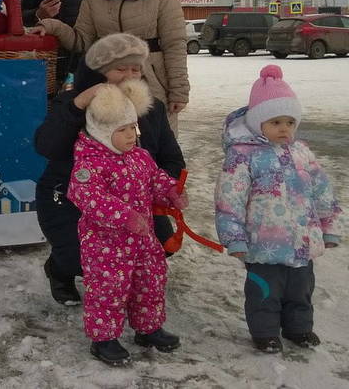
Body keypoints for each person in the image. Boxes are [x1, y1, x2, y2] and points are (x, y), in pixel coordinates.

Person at [34, 34, 185, 307]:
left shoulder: (152, 109)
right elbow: (46, 146)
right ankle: (59, 269)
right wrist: (77, 105)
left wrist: (165, 189)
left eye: (135, 68)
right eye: (119, 68)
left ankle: (126, 279)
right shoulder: (72, 102)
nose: (129, 75)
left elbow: (171, 158)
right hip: (72, 196)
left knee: (160, 243)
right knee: (82, 256)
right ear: (97, 73)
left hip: (132, 200)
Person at [215, 65, 342, 353]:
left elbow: (322, 191)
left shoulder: (301, 153)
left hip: (302, 243)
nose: (284, 129)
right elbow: (229, 200)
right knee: (265, 293)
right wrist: (234, 238)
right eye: (275, 122)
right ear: (258, 123)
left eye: (289, 122)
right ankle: (265, 333)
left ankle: (299, 329)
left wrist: (329, 226)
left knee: (301, 290)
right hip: (263, 246)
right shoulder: (242, 157)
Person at [67, 78, 187, 365]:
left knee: (150, 281)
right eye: (122, 130)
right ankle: (104, 338)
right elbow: (85, 195)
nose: (132, 135)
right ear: (102, 131)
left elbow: (154, 179)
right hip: (106, 245)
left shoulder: (140, 157)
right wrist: (125, 215)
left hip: (143, 239)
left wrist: (170, 191)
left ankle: (148, 328)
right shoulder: (90, 163)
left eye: (133, 127)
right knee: (108, 290)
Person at [38, 0, 189, 131]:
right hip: (105, 83)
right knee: (108, 145)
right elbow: (81, 40)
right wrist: (51, 25)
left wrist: (179, 91)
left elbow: (175, 45)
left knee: (154, 145)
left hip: (150, 83)